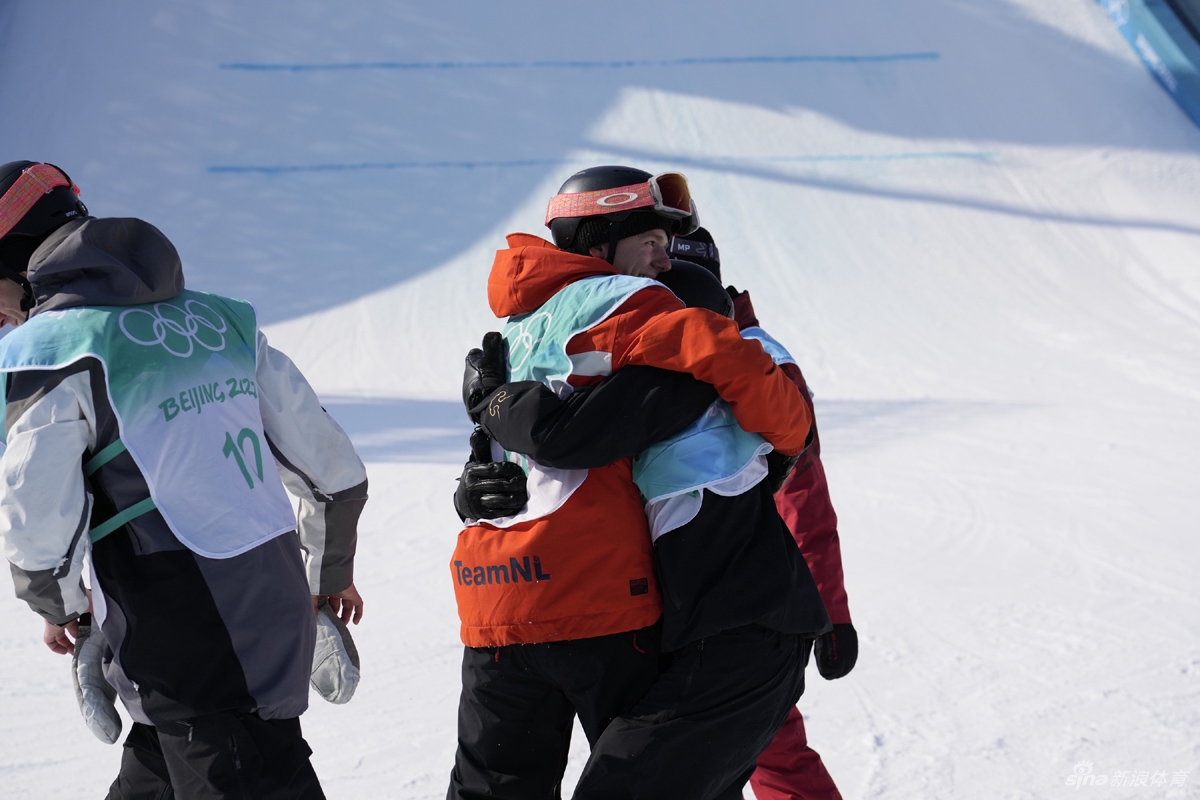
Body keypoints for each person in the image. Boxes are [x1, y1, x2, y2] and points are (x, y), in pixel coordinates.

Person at [0, 160, 369, 799]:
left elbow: (37, 512)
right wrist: (326, 575)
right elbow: (334, 475)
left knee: (238, 769)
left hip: (177, 628)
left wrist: (59, 605)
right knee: (168, 771)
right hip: (265, 601)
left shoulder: (53, 349)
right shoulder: (218, 321)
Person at [447, 165, 814, 799]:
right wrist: (789, 431)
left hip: (498, 600)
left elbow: (535, 447)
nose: (662, 263)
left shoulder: (510, 333)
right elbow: (568, 437)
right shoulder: (625, 303)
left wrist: (489, 427)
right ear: (599, 243)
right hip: (597, 596)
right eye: (651, 243)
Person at [669, 229, 859, 800]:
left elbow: (802, 495)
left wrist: (832, 612)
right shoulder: (665, 346)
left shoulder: (754, 357)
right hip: (679, 595)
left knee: (766, 750)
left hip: (743, 601)